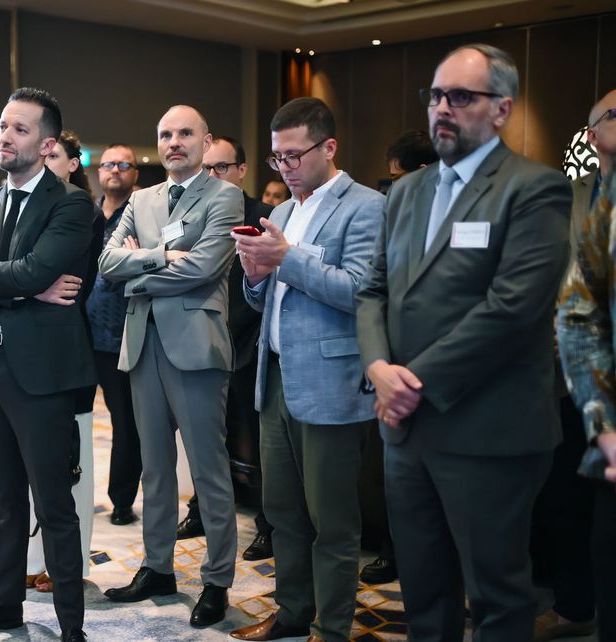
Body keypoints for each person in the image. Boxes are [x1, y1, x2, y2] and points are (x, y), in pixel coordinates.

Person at [356, 44, 572, 642]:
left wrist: (411, 382)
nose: (441, 108)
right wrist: (377, 366)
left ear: (501, 109)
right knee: (423, 594)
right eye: (434, 96)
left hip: (488, 431)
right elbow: (372, 289)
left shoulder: (535, 189)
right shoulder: (407, 192)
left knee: (497, 599)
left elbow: (512, 310)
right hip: (406, 431)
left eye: (460, 96)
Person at [0, 87, 94, 642]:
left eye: (20, 129)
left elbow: (28, 270)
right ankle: (6, 604)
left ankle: (71, 627)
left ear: (47, 143)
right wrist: (24, 286)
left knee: (54, 505)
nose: (5, 136)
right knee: (4, 500)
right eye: (3, 126)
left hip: (42, 374)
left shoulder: (71, 203)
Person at [230, 98, 382, 642]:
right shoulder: (283, 213)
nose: (285, 168)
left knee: (331, 521)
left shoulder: (365, 207)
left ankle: (330, 627)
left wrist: (285, 259)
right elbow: (268, 299)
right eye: (277, 158)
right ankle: (293, 610)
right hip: (274, 377)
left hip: (330, 382)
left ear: (329, 147)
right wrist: (254, 275)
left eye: (294, 156)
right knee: (282, 511)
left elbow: (362, 291)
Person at [99, 105, 242, 630]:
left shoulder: (224, 196)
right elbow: (106, 264)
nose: (174, 142)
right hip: (143, 346)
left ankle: (217, 580)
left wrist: (138, 268)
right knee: (155, 466)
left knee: (208, 469)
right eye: (165, 134)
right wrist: (162, 257)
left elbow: (204, 267)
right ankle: (158, 568)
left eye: (185, 133)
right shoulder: (141, 199)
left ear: (205, 141)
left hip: (197, 347)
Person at [530, 90, 614, 642]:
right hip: (570, 378)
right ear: (592, 133)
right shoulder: (571, 195)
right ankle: (576, 608)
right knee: (570, 503)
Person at [179, 135, 276, 563]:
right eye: (207, 167)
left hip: (249, 344)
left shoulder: (265, 217)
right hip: (204, 342)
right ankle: (201, 510)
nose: (213, 175)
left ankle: (268, 526)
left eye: (222, 167)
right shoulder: (195, 213)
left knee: (259, 441)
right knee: (207, 437)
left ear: (241, 170)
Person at [356, 129, 439, 586]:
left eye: (397, 178)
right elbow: (372, 290)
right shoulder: (394, 213)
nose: (392, 188)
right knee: (394, 485)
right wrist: (377, 365)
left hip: (446, 381)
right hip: (389, 373)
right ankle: (393, 553)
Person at [27, 129, 98, 593]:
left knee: (73, 462)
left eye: (54, 156)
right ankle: (35, 557)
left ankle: (71, 562)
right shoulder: (26, 207)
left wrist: (21, 281)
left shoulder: (80, 210)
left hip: (69, 350)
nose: (45, 162)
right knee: (33, 465)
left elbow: (67, 284)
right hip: (27, 348)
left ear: (73, 164)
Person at [557, 167, 616, 642]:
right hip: (581, 381)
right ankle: (577, 607)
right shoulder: (577, 194)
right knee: (579, 508)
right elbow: (579, 306)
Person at [87, 144, 142, 526]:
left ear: (135, 173)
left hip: (122, 333)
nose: (115, 170)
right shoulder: (86, 214)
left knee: (126, 422)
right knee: (72, 417)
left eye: (124, 164)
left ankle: (121, 499)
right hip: (79, 331)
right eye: (109, 164)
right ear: (98, 171)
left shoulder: (141, 215)